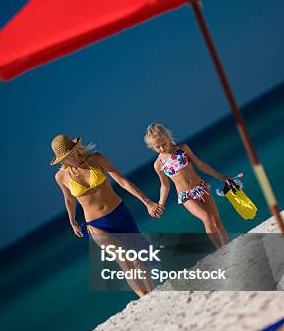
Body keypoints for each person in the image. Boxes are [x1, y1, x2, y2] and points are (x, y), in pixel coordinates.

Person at [51, 134, 163, 297]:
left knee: (138, 259)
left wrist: (146, 202)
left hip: (120, 214)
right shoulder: (61, 177)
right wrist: (72, 221)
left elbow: (122, 181)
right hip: (96, 225)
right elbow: (69, 199)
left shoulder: (97, 159)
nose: (73, 157)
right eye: (68, 157)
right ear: (62, 159)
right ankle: (143, 297)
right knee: (124, 258)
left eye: (73, 152)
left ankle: (151, 294)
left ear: (77, 149)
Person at [144, 123, 235, 249]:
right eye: (157, 147)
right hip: (186, 196)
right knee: (207, 218)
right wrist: (160, 204)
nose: (161, 148)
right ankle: (220, 249)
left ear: (167, 137)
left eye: (163, 144)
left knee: (216, 220)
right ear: (152, 147)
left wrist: (222, 177)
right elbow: (165, 186)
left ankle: (228, 246)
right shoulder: (158, 164)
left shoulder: (182, 148)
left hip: (201, 187)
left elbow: (200, 165)